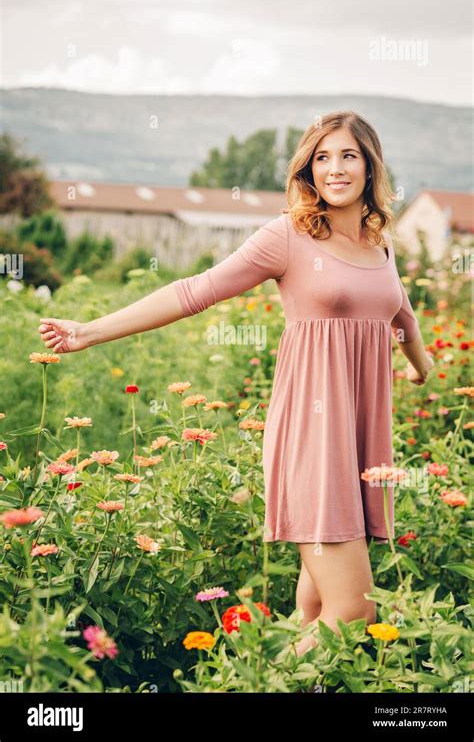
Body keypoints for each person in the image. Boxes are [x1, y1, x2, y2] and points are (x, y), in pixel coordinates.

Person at [38, 110, 434, 657]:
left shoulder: (380, 245)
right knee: (354, 610)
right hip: (313, 441)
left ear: (370, 166)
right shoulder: (289, 237)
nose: (335, 168)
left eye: (348, 156)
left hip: (361, 444)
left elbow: (402, 316)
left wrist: (421, 367)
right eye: (322, 157)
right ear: (307, 170)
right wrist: (89, 331)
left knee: (315, 610)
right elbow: (193, 291)